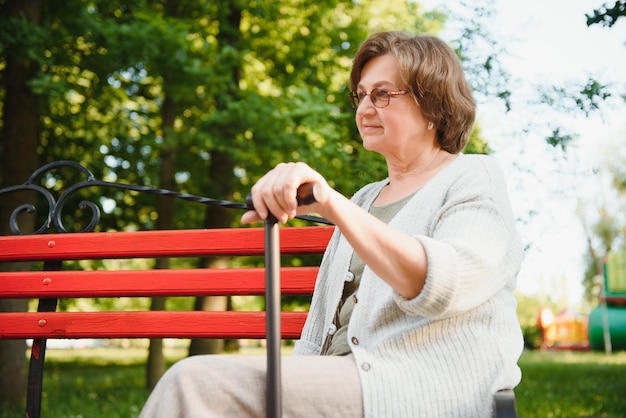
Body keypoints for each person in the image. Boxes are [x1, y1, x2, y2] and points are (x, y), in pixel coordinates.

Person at [139, 31, 524, 417]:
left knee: (194, 382)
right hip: (347, 380)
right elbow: (319, 329)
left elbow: (442, 283)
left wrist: (329, 202)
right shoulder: (364, 199)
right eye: (361, 94)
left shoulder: (473, 176)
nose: (365, 108)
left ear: (433, 104)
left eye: (383, 94)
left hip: (421, 387)